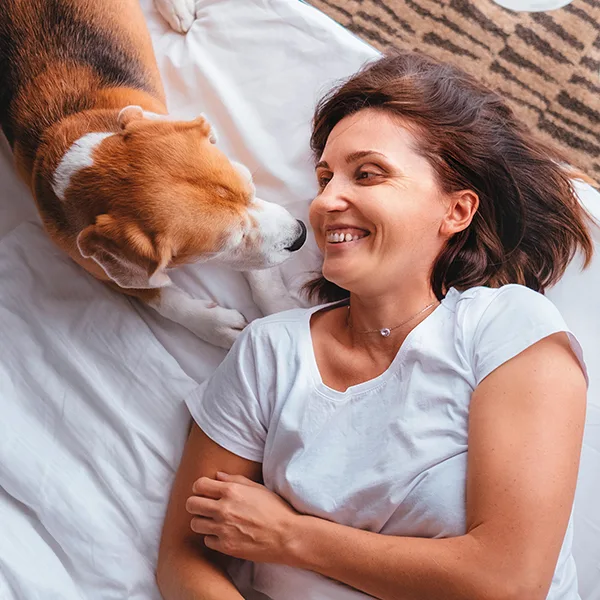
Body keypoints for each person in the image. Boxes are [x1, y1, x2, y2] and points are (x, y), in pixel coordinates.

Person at [155, 51, 593, 600]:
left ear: (456, 211)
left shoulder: (505, 327)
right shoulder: (269, 351)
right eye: (324, 177)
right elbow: (184, 560)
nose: (325, 201)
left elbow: (506, 581)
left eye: (367, 173)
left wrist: (290, 536)